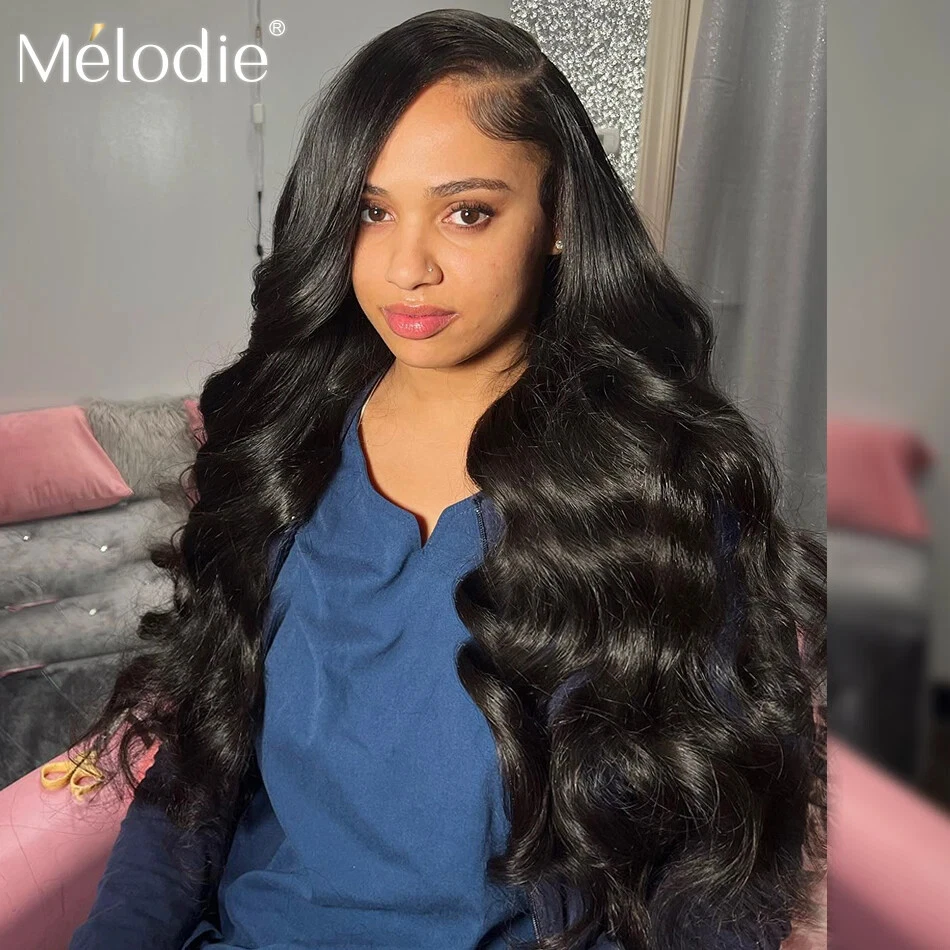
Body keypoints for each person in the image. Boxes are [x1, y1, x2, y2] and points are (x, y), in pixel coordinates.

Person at [67, 9, 826, 950]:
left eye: (468, 212)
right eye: (372, 211)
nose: (406, 267)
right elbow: (197, 765)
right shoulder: (283, 450)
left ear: (558, 219)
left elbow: (718, 862)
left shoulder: (658, 486)